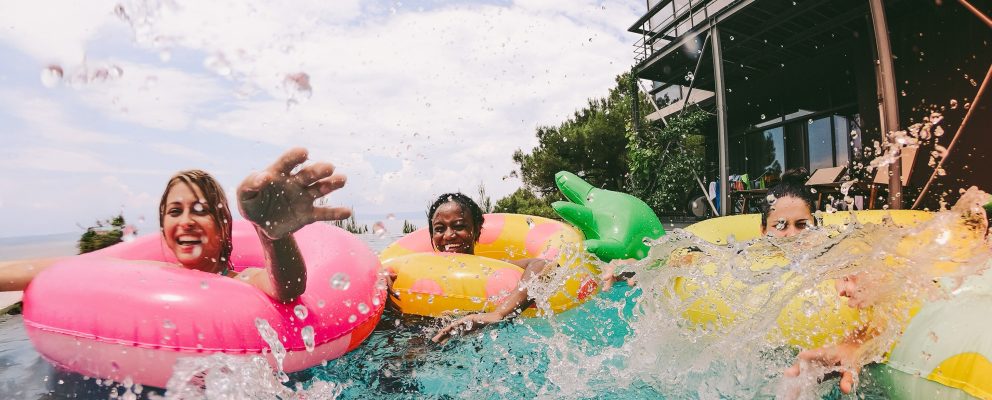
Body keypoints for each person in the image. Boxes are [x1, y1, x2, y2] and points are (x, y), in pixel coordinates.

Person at [0, 147, 349, 302]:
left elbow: (287, 288)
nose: (185, 222)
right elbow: (58, 270)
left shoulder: (241, 281)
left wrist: (273, 234)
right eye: (174, 211)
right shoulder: (147, 272)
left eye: (199, 210)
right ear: (163, 227)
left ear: (223, 225)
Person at [599, 168, 817, 290]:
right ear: (762, 230)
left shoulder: (835, 253)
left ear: (815, 224)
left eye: (802, 224)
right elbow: (693, 257)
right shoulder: (749, 255)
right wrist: (634, 268)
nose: (792, 235)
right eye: (780, 225)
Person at [423, 193, 554, 343]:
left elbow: (544, 265)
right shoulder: (419, 273)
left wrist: (499, 314)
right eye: (439, 229)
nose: (448, 235)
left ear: (477, 230)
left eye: (459, 226)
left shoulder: (489, 268)